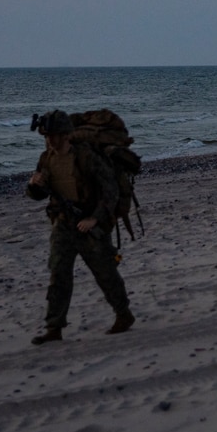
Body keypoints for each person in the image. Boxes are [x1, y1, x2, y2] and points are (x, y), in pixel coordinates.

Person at [25, 110, 134, 345]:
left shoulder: (85, 157)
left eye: (53, 136)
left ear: (65, 135)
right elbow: (39, 195)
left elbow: (110, 190)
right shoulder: (46, 158)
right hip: (63, 224)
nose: (49, 141)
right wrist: (34, 186)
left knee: (105, 272)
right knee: (58, 274)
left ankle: (123, 314)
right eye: (46, 137)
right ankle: (54, 327)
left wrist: (95, 219)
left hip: (89, 224)